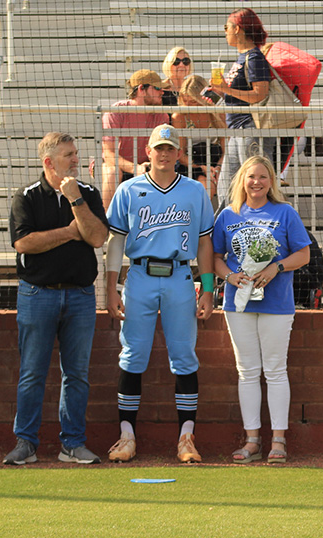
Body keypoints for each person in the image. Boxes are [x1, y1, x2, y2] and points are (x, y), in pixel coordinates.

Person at [104, 124, 215, 463]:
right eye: (158, 148)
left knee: (183, 357)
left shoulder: (195, 191)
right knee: (133, 355)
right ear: (148, 152)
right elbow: (116, 241)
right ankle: (126, 436)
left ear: (179, 153)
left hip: (180, 276)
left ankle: (186, 438)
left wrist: (208, 289)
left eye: (171, 148)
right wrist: (110, 287)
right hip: (139, 275)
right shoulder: (129, 189)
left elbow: (205, 241)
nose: (164, 154)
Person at [3, 132, 109, 465]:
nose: (76, 159)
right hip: (37, 295)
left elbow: (96, 237)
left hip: (80, 296)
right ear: (49, 162)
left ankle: (73, 444)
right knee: (32, 373)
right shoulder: (27, 196)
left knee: (76, 374)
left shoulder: (88, 194)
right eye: (68, 155)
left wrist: (76, 201)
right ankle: (25, 444)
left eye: (76, 153)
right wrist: (68, 233)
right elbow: (24, 244)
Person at [213, 155, 311, 463]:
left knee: (275, 370)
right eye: (251, 176)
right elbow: (215, 257)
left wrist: (276, 268)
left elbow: (304, 254)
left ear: (272, 182)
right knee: (247, 372)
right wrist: (230, 276)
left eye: (263, 177)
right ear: (241, 180)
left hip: (277, 304)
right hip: (237, 303)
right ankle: (253, 439)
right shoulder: (228, 215)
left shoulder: (285, 213)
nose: (256, 182)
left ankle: (278, 440)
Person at [211, 8, 276, 208]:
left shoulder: (254, 58)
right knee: (228, 185)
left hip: (251, 128)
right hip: (237, 129)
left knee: (255, 184)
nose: (225, 32)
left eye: (226, 27)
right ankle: (226, 227)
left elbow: (260, 93)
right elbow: (238, 95)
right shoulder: (242, 58)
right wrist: (221, 92)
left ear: (238, 29)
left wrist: (227, 90)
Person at [101, 69, 170, 205]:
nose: (162, 92)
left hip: (146, 165)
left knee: (162, 170)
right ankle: (106, 222)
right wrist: (135, 168)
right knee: (112, 173)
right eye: (157, 88)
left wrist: (149, 165)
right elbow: (108, 154)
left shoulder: (162, 116)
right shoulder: (115, 112)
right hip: (116, 165)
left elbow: (162, 150)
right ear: (141, 89)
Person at [171, 74, 225, 196]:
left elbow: (225, 150)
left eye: (194, 101)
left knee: (212, 185)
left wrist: (218, 168)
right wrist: (201, 167)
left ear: (204, 98)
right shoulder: (179, 117)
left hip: (214, 160)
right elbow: (181, 154)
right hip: (190, 163)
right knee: (205, 187)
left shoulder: (217, 114)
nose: (189, 105)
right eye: (185, 101)